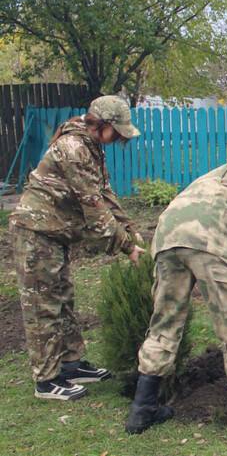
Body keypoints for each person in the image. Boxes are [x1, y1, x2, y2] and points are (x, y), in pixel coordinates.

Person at [125, 159, 227, 435]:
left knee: (164, 320)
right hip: (208, 238)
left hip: (168, 237)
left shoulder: (215, 182)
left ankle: (142, 410)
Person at [10, 95, 145, 401]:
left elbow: (105, 192)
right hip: (36, 232)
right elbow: (94, 208)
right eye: (118, 130)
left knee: (63, 298)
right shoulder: (73, 148)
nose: (120, 138)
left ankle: (71, 365)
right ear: (104, 124)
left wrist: (131, 229)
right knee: (43, 305)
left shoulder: (91, 145)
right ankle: (46, 380)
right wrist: (127, 247)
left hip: (55, 233)